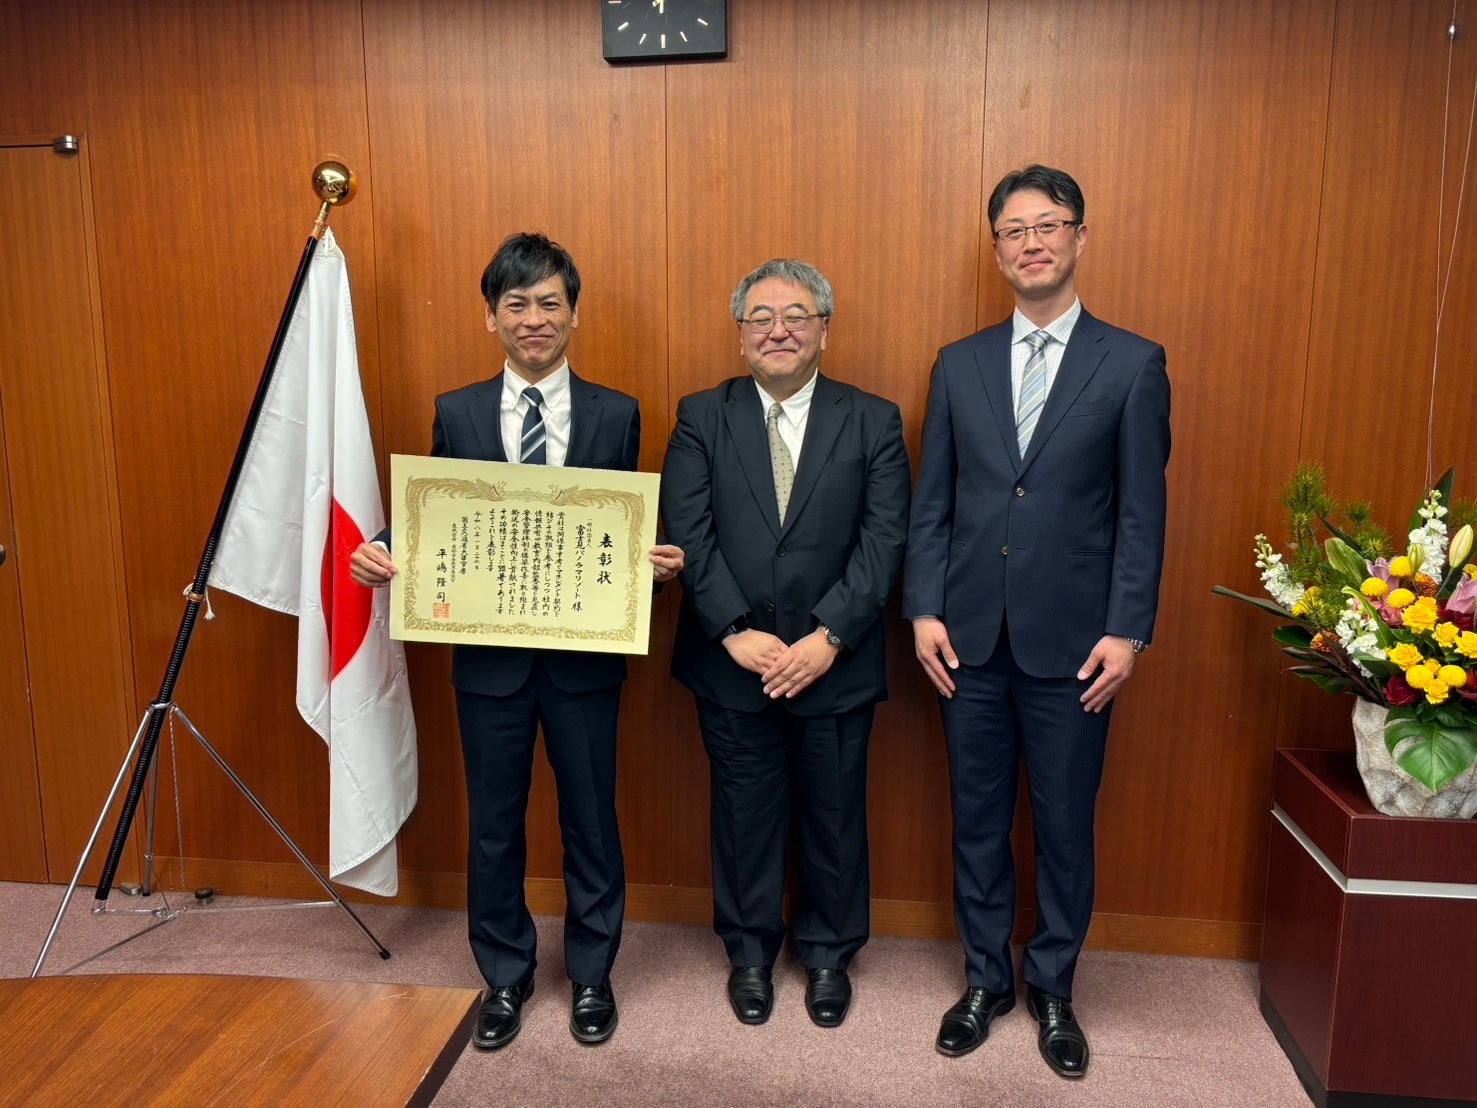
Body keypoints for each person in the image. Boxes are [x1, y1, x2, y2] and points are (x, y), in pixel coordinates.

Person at [350, 232, 683, 1051]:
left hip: (584, 662)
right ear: (490, 317)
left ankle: (592, 974)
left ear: (574, 314)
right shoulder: (458, 410)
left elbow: (621, 531)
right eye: (516, 304)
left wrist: (654, 568)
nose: (534, 319)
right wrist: (382, 549)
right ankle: (503, 974)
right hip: (487, 665)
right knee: (494, 825)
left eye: (549, 303)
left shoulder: (617, 412)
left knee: (590, 821)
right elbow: (438, 516)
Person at [904, 165, 1171, 1078]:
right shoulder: (958, 363)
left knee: (1063, 826)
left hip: (1076, 648)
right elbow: (933, 503)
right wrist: (922, 608)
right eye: (1013, 231)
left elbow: (1141, 514)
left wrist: (1127, 631)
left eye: (1047, 225)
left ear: (1078, 237)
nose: (1031, 243)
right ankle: (985, 981)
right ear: (996, 252)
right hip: (967, 642)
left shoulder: (1130, 363)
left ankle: (1053, 985)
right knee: (975, 821)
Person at [660, 259, 910, 1029]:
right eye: (760, 317)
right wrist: (734, 630)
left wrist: (829, 636)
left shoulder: (872, 420)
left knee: (835, 814)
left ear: (823, 330)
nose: (778, 330)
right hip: (731, 660)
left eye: (796, 315)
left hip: (834, 661)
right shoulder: (701, 416)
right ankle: (748, 953)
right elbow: (688, 531)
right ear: (740, 336)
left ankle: (829, 954)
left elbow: (884, 540)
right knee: (743, 813)